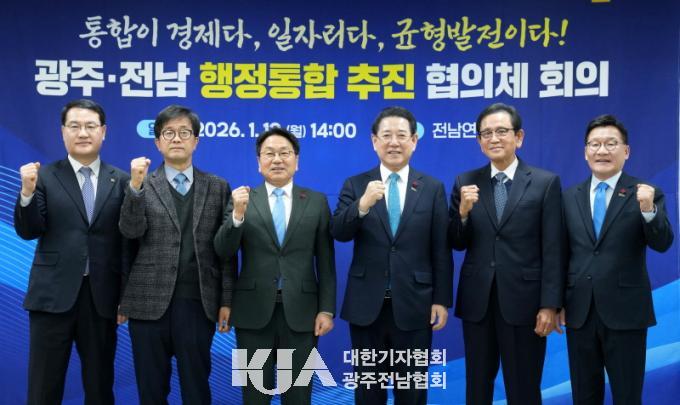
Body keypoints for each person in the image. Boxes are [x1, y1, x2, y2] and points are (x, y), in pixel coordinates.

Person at [331, 106, 452, 405]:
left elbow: (441, 247)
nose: (394, 142)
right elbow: (339, 231)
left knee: (412, 392)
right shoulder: (355, 185)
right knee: (368, 391)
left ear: (414, 141)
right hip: (366, 306)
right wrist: (362, 205)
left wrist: (441, 299)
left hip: (415, 305)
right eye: (386, 136)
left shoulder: (432, 188)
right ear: (374, 141)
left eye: (401, 135)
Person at [13, 99, 129, 404]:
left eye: (90, 126)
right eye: (74, 126)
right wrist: (26, 192)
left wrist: (125, 295)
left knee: (100, 386)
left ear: (104, 131)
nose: (83, 133)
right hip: (52, 297)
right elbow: (28, 231)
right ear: (63, 131)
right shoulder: (44, 177)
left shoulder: (121, 181)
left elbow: (127, 243)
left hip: (102, 298)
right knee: (43, 386)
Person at [118, 105, 233, 404]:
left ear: (196, 141)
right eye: (168, 133)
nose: (177, 138)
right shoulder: (139, 184)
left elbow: (226, 250)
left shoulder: (218, 187)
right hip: (146, 304)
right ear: (157, 142)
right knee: (151, 391)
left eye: (184, 132)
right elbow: (128, 235)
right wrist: (135, 188)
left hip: (197, 303)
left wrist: (226, 300)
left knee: (196, 389)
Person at [448, 102, 563, 405]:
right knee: (477, 385)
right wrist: (462, 213)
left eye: (501, 131)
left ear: (519, 137)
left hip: (525, 303)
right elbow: (456, 242)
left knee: (523, 387)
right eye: (486, 133)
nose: (494, 138)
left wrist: (550, 304)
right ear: (479, 141)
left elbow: (554, 248)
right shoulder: (465, 182)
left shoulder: (544, 182)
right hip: (478, 302)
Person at [214, 127, 336, 405]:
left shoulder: (316, 202)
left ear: (297, 161)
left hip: (302, 313)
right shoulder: (242, 199)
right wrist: (237, 215)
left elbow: (326, 262)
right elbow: (223, 251)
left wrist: (326, 309)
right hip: (252, 313)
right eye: (269, 154)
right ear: (259, 162)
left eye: (284, 153)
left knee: (298, 396)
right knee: (254, 396)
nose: (277, 159)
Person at [559, 114, 673, 405]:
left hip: (626, 312)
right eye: (595, 144)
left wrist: (648, 210)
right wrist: (556, 301)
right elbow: (559, 253)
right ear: (585, 152)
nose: (602, 150)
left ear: (626, 151)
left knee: (627, 395)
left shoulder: (645, 193)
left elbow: (663, 243)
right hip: (580, 312)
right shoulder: (569, 197)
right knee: (584, 396)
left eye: (611, 143)